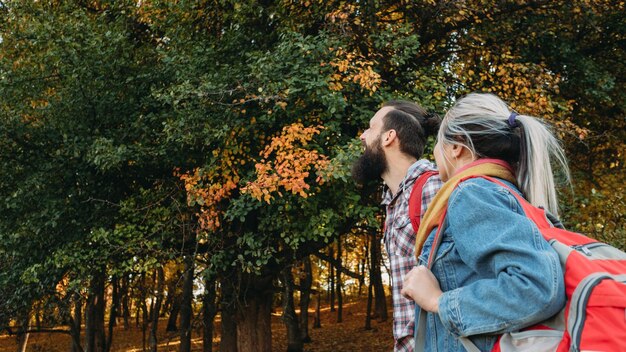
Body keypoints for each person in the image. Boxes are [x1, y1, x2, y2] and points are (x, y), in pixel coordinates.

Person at [401, 93, 569, 351]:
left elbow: (537, 287)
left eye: (437, 143)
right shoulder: (505, 192)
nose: (434, 153)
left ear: (456, 146)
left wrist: (438, 301)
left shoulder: (473, 193)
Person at [352, 100, 443, 351]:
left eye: (371, 128)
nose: (363, 136)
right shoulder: (394, 202)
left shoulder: (433, 189)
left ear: (389, 137)